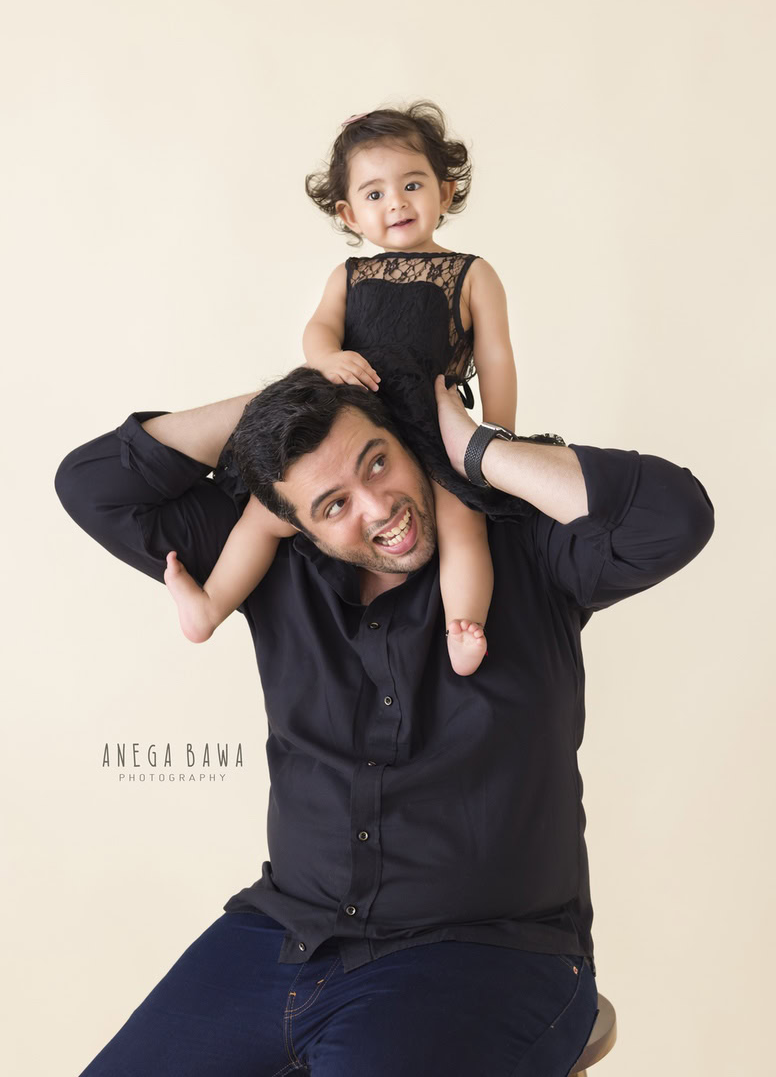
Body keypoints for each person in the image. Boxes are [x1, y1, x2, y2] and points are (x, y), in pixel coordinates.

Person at [54, 364, 714, 1075]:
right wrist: (280, 406)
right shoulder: (271, 559)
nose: (377, 506)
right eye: (332, 503)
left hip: (486, 955)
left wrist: (474, 449)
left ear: (403, 437)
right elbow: (92, 482)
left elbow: (676, 516)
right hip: (284, 937)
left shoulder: (526, 544)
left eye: (377, 460)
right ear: (289, 520)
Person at [162, 100, 565, 676]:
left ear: (445, 193)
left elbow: (496, 357)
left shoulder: (471, 273)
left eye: (412, 184)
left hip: (427, 429)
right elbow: (317, 329)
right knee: (265, 514)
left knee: (461, 522)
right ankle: (208, 606)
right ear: (351, 215)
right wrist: (328, 357)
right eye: (374, 194)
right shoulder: (348, 277)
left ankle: (462, 625)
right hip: (351, 422)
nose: (396, 201)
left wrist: (494, 442)